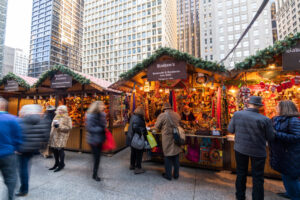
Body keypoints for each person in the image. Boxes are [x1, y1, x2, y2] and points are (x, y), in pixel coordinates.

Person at [228, 96, 275, 200]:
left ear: (248, 104)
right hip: (258, 150)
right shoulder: (265, 119)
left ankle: (240, 197)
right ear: (259, 106)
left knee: (241, 173)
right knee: (258, 177)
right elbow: (271, 137)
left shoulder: (237, 114)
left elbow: (230, 129)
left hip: (240, 149)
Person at [269, 100, 300, 200]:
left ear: (284, 108)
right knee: (285, 175)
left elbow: (297, 137)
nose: (276, 108)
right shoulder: (277, 119)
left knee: (291, 177)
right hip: (282, 153)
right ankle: (290, 193)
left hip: (291, 154)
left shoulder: (294, 120)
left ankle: (295, 196)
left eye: (278, 106)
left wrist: (276, 134)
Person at [16, 104, 48, 197]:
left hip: (22, 149)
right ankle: (24, 188)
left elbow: (19, 134)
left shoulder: (22, 121)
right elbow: (46, 136)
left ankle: (23, 190)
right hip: (33, 148)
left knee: (23, 169)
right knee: (26, 167)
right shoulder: (41, 121)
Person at [0, 97, 22, 200]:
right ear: (4, 106)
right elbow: (18, 137)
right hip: (8, 153)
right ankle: (10, 197)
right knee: (10, 177)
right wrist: (16, 148)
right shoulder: (12, 119)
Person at [155, 102, 182, 181]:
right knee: (176, 156)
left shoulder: (162, 115)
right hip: (176, 137)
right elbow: (179, 124)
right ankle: (176, 175)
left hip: (167, 138)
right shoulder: (177, 114)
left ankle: (168, 175)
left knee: (168, 156)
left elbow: (157, 127)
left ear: (164, 108)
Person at [86, 101, 107, 181]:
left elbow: (103, 124)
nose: (103, 106)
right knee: (96, 157)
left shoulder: (101, 115)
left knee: (97, 157)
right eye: (102, 105)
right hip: (93, 139)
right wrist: (101, 128)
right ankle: (95, 174)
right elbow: (89, 128)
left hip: (100, 138)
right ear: (97, 107)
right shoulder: (91, 116)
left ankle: (95, 172)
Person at [48, 105, 72, 172]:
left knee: (60, 150)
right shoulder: (56, 116)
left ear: (64, 111)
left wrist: (59, 126)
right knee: (54, 150)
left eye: (61, 110)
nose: (60, 111)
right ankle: (56, 163)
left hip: (61, 137)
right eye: (59, 110)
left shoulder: (67, 118)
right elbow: (52, 124)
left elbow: (69, 127)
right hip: (54, 136)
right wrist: (53, 125)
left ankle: (61, 164)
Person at [127, 106, 147, 174]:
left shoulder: (133, 117)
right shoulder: (139, 119)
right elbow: (137, 128)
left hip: (131, 137)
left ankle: (132, 165)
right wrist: (143, 132)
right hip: (137, 138)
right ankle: (138, 168)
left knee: (133, 152)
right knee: (139, 153)